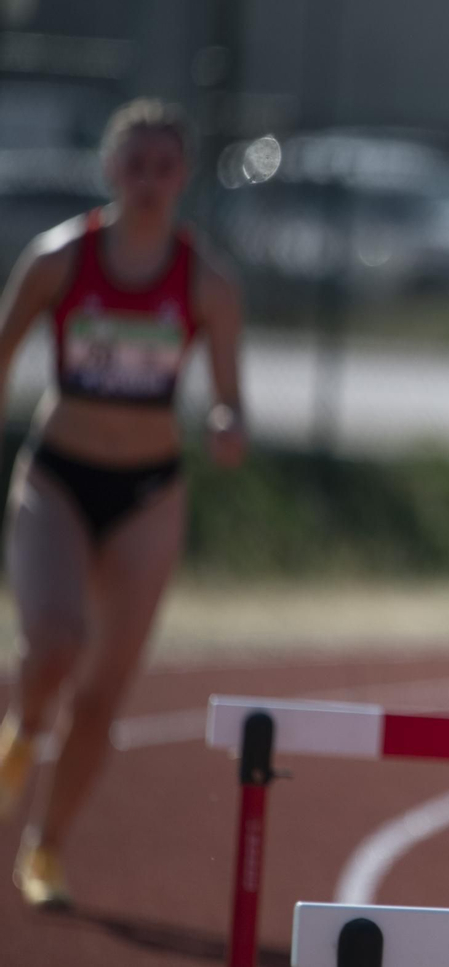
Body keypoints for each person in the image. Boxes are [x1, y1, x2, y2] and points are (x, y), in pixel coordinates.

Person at [0, 99, 248, 909]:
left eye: (164, 167)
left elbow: (229, 400)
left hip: (148, 494)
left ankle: (47, 846)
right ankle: (26, 728)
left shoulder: (206, 282)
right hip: (59, 477)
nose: (148, 182)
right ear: (111, 171)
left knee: (104, 694)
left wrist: (225, 423)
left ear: (182, 178)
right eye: (134, 165)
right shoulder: (57, 261)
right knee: (52, 643)